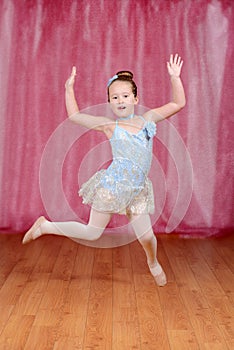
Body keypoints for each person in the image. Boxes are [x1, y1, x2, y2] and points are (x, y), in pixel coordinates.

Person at [22, 54, 185, 287]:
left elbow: (178, 104)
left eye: (125, 96)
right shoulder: (110, 127)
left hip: (137, 190)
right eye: (115, 97)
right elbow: (75, 116)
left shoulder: (148, 119)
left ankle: (152, 262)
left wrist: (175, 78)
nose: (120, 100)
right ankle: (44, 226)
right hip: (113, 188)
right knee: (92, 233)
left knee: (147, 236)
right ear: (109, 102)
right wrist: (69, 88)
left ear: (135, 98)